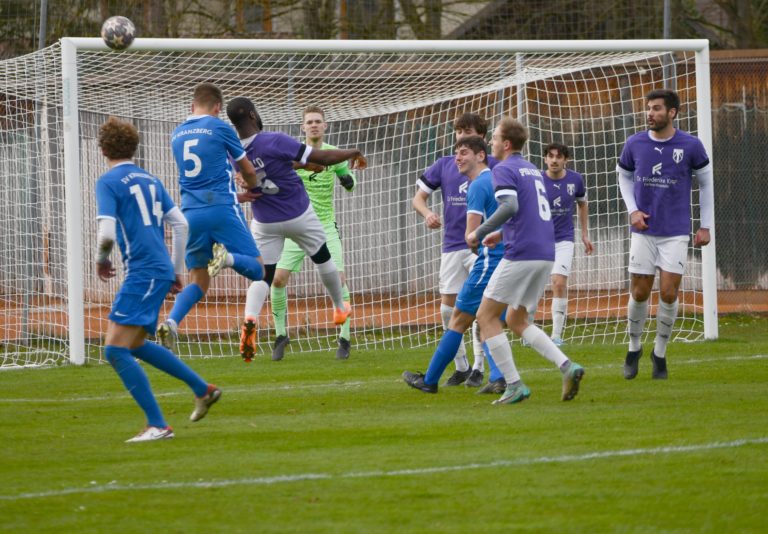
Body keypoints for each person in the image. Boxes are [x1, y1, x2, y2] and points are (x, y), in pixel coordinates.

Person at [94, 117, 221, 442]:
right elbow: (180, 224)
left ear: (103, 148)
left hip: (143, 271)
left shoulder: (108, 181)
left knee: (115, 350)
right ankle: (201, 388)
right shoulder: (150, 179)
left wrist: (101, 259)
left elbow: (107, 231)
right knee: (134, 343)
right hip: (158, 269)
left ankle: (158, 425)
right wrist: (175, 268)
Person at [223, 96, 366, 362]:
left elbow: (263, 169)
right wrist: (352, 152)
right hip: (298, 215)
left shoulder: (233, 151)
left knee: (263, 276)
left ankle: (250, 321)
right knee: (322, 258)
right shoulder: (275, 140)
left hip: (264, 221)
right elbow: (321, 156)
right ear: (253, 115)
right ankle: (338, 307)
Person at [467, 117, 585, 405]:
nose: (490, 142)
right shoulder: (531, 169)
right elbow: (530, 214)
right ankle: (568, 366)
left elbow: (510, 206)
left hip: (522, 254)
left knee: (485, 317)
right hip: (544, 252)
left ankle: (514, 384)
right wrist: (499, 234)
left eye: (494, 137)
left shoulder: (504, 168)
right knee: (516, 319)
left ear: (506, 144)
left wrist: (479, 231)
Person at [156, 83, 265, 350]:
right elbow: (247, 169)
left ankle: (171, 322)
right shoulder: (220, 127)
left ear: (192, 106)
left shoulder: (177, 133)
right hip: (222, 210)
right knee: (259, 269)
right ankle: (226, 259)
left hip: (191, 214)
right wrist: (253, 187)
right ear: (218, 107)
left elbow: (201, 178)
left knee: (199, 281)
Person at [618, 88, 713, 380]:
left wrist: (706, 225)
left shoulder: (691, 145)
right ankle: (634, 347)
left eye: (657, 108)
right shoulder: (635, 143)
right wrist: (633, 209)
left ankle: (659, 353)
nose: (650, 113)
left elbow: (706, 184)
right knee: (640, 291)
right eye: (648, 108)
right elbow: (623, 175)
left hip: (675, 231)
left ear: (672, 113)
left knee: (670, 293)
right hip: (643, 231)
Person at [402, 136, 507, 395]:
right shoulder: (499, 179)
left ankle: (430, 380)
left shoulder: (479, 184)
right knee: (491, 318)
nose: (457, 157)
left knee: (459, 319)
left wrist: (478, 241)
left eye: (463, 152)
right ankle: (497, 376)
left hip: (489, 259)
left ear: (481, 155)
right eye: (456, 152)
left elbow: (471, 235)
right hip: (509, 257)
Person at [269, 106, 357, 361]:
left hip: (325, 227)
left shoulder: (333, 155)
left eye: (318, 121)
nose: (314, 125)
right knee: (277, 279)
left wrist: (348, 179)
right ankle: (280, 335)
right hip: (296, 226)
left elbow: (350, 182)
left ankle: (344, 337)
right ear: (303, 127)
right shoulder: (292, 154)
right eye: (310, 122)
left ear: (325, 126)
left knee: (339, 280)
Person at [541, 143, 594, 345]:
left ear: (566, 159)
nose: (554, 160)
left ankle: (556, 335)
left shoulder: (575, 179)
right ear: (545, 159)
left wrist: (585, 234)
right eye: (551, 156)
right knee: (533, 286)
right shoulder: (537, 179)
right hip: (539, 239)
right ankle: (526, 330)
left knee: (559, 282)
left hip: (564, 239)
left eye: (559, 156)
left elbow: (582, 204)